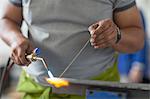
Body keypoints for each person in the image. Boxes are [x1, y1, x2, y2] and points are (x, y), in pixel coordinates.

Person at [0, 0, 144, 98]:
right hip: (36, 89)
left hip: (97, 92)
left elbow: (138, 39)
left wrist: (116, 35)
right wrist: (15, 40)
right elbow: (7, 20)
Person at [118, 11, 150, 83]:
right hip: (123, 67)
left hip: (132, 69)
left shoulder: (134, 13)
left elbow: (139, 40)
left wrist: (138, 66)